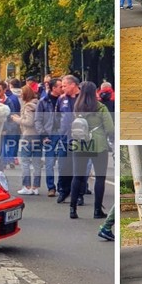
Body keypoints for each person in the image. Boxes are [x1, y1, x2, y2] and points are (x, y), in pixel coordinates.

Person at [68, 81, 113, 220]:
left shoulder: (77, 106)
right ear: (95, 92)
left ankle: (72, 209)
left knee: (77, 176)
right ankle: (97, 210)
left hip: (80, 144)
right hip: (98, 145)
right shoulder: (100, 108)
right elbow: (110, 128)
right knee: (100, 178)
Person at [54, 75, 80, 204]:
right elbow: (57, 116)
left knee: (78, 168)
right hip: (64, 138)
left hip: (79, 139)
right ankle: (63, 191)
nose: (62, 88)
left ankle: (79, 194)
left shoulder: (83, 99)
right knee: (63, 167)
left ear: (73, 85)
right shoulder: (61, 99)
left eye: (64, 86)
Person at [36, 78, 63, 196]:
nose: (62, 88)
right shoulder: (43, 101)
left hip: (63, 133)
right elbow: (38, 119)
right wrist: (43, 135)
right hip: (49, 134)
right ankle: (51, 187)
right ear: (53, 88)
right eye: (60, 87)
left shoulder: (64, 100)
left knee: (64, 162)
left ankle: (62, 187)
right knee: (49, 162)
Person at [13, 85, 42, 195]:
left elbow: (29, 122)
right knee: (36, 163)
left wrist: (17, 119)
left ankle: (27, 186)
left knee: (25, 162)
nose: (20, 95)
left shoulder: (28, 106)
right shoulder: (38, 104)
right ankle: (35, 187)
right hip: (38, 136)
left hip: (28, 136)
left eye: (21, 93)